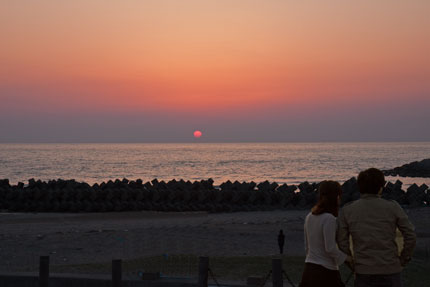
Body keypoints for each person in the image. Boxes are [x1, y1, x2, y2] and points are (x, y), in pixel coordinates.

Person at [337, 168, 416, 287]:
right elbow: (410, 235)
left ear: (359, 187)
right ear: (381, 186)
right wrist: (403, 259)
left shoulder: (348, 210)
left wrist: (351, 263)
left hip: (363, 271)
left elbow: (342, 241)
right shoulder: (393, 207)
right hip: (390, 269)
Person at [299, 180, 352, 287]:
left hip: (309, 269)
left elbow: (307, 246)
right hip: (325, 272)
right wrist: (347, 258)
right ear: (336, 197)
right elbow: (330, 248)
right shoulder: (329, 219)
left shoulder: (310, 216)